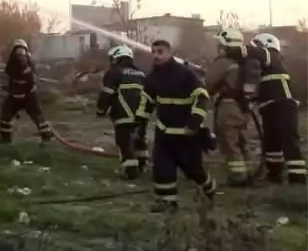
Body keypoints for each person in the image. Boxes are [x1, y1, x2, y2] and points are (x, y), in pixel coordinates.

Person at [139, 39, 217, 211]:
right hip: (164, 134)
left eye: (160, 52)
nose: (156, 56)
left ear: (170, 52)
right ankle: (168, 205)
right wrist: (140, 126)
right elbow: (147, 103)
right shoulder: (152, 78)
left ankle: (209, 190)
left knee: (194, 171)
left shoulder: (185, 74)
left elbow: (202, 97)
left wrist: (194, 122)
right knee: (162, 169)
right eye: (154, 52)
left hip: (186, 135)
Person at [204, 28, 258, 186]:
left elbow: (207, 83)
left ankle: (238, 177)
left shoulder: (222, 62)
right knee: (241, 142)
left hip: (228, 108)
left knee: (229, 142)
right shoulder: (244, 63)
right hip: (243, 108)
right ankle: (249, 173)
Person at [251, 33, 306, 185]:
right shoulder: (265, 64)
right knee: (271, 142)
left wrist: (240, 48)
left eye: (257, 45)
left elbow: (258, 53)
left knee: (288, 140)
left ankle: (298, 178)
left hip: (284, 105)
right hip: (270, 106)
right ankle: (274, 174)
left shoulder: (272, 56)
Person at [97, 44, 148, 179]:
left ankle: (131, 172)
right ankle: (142, 166)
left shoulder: (114, 72)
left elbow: (106, 93)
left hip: (123, 114)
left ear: (117, 57)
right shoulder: (142, 73)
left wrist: (101, 110)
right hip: (142, 114)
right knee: (139, 140)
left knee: (124, 141)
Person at [0, 39, 54, 144]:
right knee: (6, 115)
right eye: (18, 51)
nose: (20, 54)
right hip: (17, 96)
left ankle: (46, 135)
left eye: (22, 51)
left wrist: (14, 87)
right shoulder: (15, 64)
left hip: (28, 96)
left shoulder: (24, 65)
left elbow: (25, 79)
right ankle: (5, 138)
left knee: (38, 116)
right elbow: (9, 75)